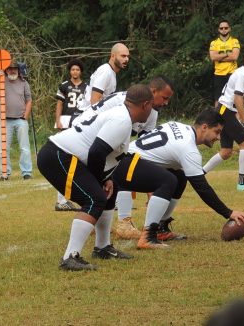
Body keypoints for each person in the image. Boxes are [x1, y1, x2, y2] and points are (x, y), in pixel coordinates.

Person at [37, 84, 154, 271]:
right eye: (153, 106)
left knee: (110, 191)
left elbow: (102, 154)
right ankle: (70, 257)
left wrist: (106, 179)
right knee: (94, 198)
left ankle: (102, 247)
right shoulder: (122, 119)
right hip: (59, 155)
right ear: (146, 104)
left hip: (66, 155)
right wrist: (99, 181)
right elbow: (97, 152)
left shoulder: (121, 115)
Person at [112, 109, 244, 249]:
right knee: (168, 180)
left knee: (180, 177)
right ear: (204, 127)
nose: (218, 137)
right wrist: (229, 212)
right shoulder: (189, 148)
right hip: (125, 166)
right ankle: (148, 236)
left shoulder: (177, 126)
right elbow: (202, 187)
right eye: (217, 131)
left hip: (124, 161)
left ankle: (160, 227)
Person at [81, 76, 175, 240]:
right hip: (88, 138)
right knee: (118, 170)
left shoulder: (150, 111)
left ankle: (99, 221)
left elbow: (144, 149)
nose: (166, 103)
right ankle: (122, 222)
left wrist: (152, 187)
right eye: (164, 97)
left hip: (107, 143)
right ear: (153, 92)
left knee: (123, 166)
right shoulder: (124, 102)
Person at [203, 47, 244, 191]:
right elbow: (238, 99)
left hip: (225, 110)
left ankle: (199, 174)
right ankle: (242, 183)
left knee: (226, 151)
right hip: (226, 111)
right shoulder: (242, 74)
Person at [54, 58, 87, 211]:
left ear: (81, 71)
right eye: (73, 69)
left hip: (81, 122)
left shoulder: (87, 87)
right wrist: (58, 121)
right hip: (67, 122)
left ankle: (78, 196)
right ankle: (61, 199)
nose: (75, 72)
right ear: (70, 71)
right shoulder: (64, 86)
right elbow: (59, 104)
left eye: (77, 69)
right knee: (66, 160)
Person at [0, 62, 33, 180]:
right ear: (6, 70)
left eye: (14, 69)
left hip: (20, 120)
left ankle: (27, 172)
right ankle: (4, 173)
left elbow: (29, 100)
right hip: (5, 120)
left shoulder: (24, 83)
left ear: (18, 70)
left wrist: (25, 116)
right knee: (3, 148)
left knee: (24, 147)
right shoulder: (2, 81)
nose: (12, 71)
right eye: (10, 69)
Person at [78, 43, 130, 110]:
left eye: (128, 56)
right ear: (113, 56)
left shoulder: (110, 72)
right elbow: (94, 101)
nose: (126, 59)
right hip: (86, 114)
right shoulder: (105, 71)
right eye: (123, 56)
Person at [209, 20, 241, 107]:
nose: (224, 29)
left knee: (234, 98)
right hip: (219, 74)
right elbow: (213, 57)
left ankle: (235, 119)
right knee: (218, 99)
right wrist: (227, 54)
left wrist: (219, 56)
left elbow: (234, 57)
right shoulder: (214, 43)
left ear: (229, 29)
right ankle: (216, 119)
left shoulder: (234, 41)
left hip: (232, 73)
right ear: (218, 30)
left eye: (226, 28)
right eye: (221, 28)